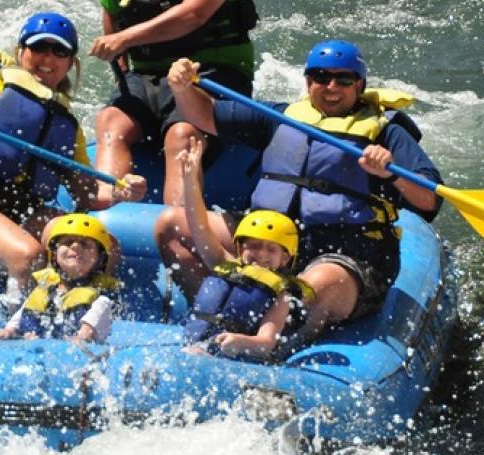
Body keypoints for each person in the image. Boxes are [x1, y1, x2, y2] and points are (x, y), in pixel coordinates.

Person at [155, 40, 443, 354]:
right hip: (272, 236)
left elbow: (429, 200)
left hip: (346, 249)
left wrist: (390, 171)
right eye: (321, 77)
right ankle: (216, 318)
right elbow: (205, 115)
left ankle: (274, 344)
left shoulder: (387, 132)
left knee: (313, 284)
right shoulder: (282, 116)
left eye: (343, 79)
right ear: (308, 82)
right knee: (171, 225)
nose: (331, 86)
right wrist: (182, 87)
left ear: (359, 85)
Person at [0, 12, 144, 299]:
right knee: (30, 256)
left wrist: (121, 191)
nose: (48, 57)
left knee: (104, 245)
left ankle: (84, 311)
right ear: (21, 52)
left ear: (71, 63)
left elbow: (88, 194)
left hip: (19, 209)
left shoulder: (66, 123)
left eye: (59, 50)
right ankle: (20, 327)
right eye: (39, 47)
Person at [86, 0, 259, 207]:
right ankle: (105, 203)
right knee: (111, 120)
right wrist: (122, 67)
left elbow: (194, 14)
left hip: (211, 69)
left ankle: (178, 223)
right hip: (147, 73)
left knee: (182, 134)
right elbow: (112, 13)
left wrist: (123, 38)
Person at [171, 137, 309, 360]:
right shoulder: (222, 263)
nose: (260, 255)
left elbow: (265, 343)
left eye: (271, 249)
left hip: (236, 359)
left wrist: (240, 341)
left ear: (285, 258)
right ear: (239, 247)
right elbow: (198, 225)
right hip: (195, 350)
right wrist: (190, 180)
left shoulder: (280, 297)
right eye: (253, 246)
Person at [0, 213, 122, 343]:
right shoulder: (45, 285)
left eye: (86, 244)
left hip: (79, 341)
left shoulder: (102, 294)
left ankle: (84, 334)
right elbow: (24, 309)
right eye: (68, 242)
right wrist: (10, 330)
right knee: (36, 298)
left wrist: (85, 334)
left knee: (104, 302)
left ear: (99, 258)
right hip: (36, 340)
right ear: (54, 255)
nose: (75, 246)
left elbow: (102, 312)